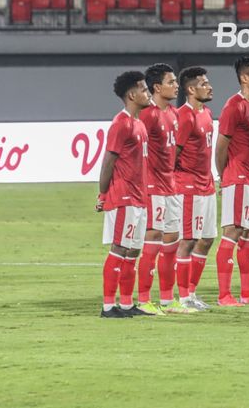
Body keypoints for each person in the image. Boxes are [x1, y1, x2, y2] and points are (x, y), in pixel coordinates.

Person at [97, 71, 154, 318]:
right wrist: (102, 194)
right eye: (143, 89)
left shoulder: (139, 123)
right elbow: (108, 161)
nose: (148, 93)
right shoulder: (120, 123)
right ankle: (109, 306)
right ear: (132, 94)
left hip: (139, 197)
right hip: (123, 197)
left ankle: (128, 304)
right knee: (120, 248)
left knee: (133, 250)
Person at [215, 56, 249, 305]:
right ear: (244, 78)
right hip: (238, 179)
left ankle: (247, 293)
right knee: (232, 232)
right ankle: (224, 294)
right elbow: (221, 146)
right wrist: (224, 175)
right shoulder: (233, 106)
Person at [136, 63, 185, 315]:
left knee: (172, 243)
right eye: (171, 82)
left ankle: (168, 300)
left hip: (171, 187)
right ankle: (144, 300)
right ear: (157, 87)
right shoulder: (148, 114)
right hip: (153, 187)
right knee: (152, 241)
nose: (176, 85)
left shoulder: (174, 114)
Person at [174, 66, 216, 310]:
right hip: (188, 187)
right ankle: (184, 297)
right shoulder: (184, 116)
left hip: (206, 185)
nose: (209, 86)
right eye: (204, 83)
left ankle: (192, 292)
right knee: (187, 240)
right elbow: (173, 154)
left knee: (207, 239)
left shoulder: (207, 113)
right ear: (191, 89)